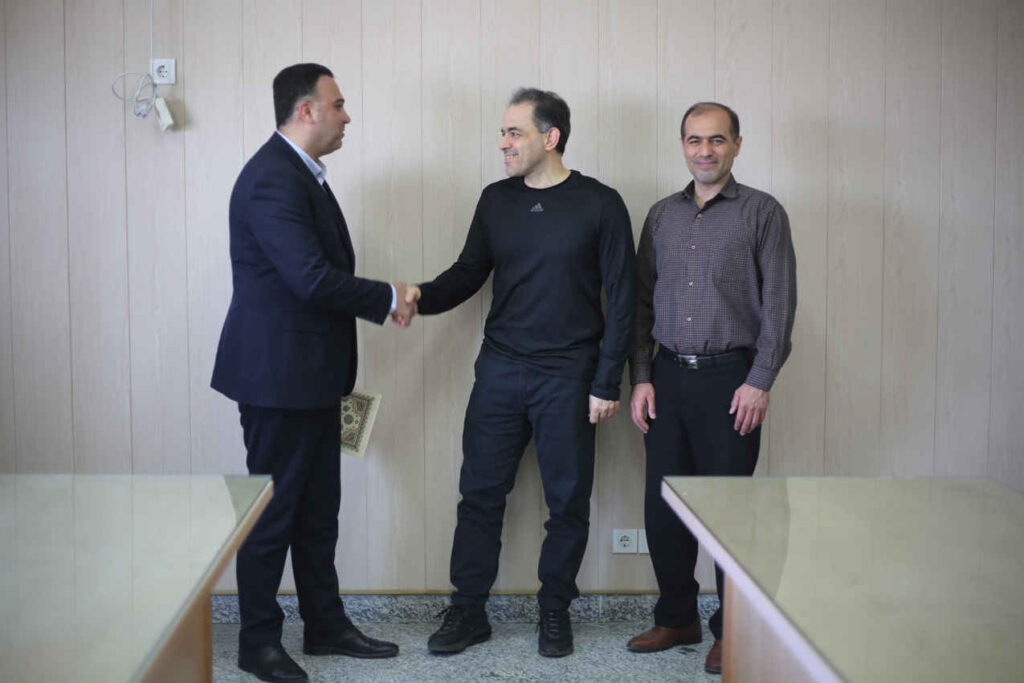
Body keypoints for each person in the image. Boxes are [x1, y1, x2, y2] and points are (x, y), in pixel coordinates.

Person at [404, 88, 636, 658]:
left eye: (515, 132)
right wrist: (415, 298)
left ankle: (554, 610)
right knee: (479, 495)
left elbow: (624, 299)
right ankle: (468, 612)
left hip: (569, 375)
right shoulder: (496, 200)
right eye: (503, 133)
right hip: (501, 370)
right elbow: (467, 274)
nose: (503, 143)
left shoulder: (601, 203)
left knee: (567, 502)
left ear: (550, 137)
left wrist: (607, 381)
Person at [211, 63, 414, 683]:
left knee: (319, 511)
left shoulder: (303, 174)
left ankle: (325, 626)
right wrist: (388, 297)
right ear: (306, 110)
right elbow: (309, 278)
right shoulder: (273, 178)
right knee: (273, 514)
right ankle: (257, 643)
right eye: (338, 103)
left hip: (314, 378)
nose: (347, 116)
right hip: (278, 381)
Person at [626, 102, 796, 675]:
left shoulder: (763, 213)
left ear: (737, 145)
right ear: (682, 145)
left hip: (732, 381)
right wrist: (642, 377)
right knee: (664, 507)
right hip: (667, 378)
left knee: (729, 513)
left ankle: (732, 630)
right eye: (695, 140)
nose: (705, 151)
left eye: (717, 140)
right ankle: (677, 618)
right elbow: (641, 303)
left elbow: (780, 304)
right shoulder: (660, 216)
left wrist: (760, 381)